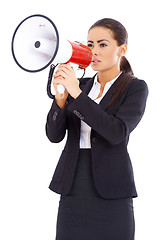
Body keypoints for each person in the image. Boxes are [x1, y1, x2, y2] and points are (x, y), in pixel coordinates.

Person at [46, 18, 148, 240]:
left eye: (102, 44)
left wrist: (77, 95)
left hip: (112, 192)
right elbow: (54, 136)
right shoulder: (80, 86)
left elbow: (116, 132)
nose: (94, 51)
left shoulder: (135, 87)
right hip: (73, 189)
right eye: (90, 45)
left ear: (122, 49)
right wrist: (61, 99)